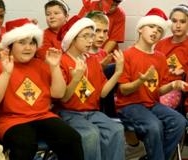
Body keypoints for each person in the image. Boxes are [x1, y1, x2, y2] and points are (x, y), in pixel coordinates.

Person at [0, 18, 84, 160]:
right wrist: (6, 73)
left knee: (72, 138)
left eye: (32, 43)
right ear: (10, 46)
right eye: (22, 42)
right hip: (10, 120)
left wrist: (54, 66)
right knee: (23, 144)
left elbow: (58, 93)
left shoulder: (41, 65)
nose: (28, 47)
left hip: (42, 115)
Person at [115, 8, 188, 160]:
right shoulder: (127, 55)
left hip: (152, 104)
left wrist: (173, 85)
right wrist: (141, 80)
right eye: (151, 27)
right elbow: (123, 90)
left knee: (180, 122)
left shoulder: (160, 58)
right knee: (155, 126)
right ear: (140, 29)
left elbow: (159, 90)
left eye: (160, 30)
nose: (155, 31)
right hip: (129, 105)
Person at [56, 15, 125, 160]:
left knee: (116, 129)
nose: (90, 40)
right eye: (85, 36)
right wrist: (75, 79)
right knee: (91, 133)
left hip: (92, 112)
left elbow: (103, 93)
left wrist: (118, 72)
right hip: (69, 113)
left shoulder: (92, 60)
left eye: (92, 36)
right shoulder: (61, 61)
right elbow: (63, 98)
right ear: (73, 37)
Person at [155, 4, 188, 109]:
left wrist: (184, 72)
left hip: (175, 89)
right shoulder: (161, 44)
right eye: (174, 21)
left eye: (182, 22)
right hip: (156, 85)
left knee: (156, 105)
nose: (177, 25)